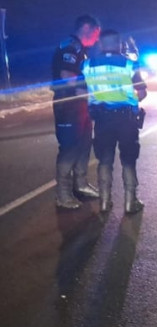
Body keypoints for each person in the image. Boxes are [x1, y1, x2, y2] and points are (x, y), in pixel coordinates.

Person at [81, 30, 147, 213]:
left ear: (100, 44)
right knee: (128, 160)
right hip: (126, 120)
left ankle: (104, 201)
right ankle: (130, 202)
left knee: (105, 160)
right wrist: (130, 100)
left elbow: (80, 91)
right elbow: (142, 93)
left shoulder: (88, 65)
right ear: (119, 44)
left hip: (102, 119)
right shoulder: (129, 64)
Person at [51, 14, 101, 209]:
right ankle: (63, 194)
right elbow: (66, 75)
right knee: (70, 148)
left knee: (84, 144)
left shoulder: (82, 50)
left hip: (80, 105)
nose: (97, 38)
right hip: (68, 104)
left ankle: (80, 185)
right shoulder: (70, 47)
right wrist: (88, 92)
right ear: (87, 28)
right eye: (96, 33)